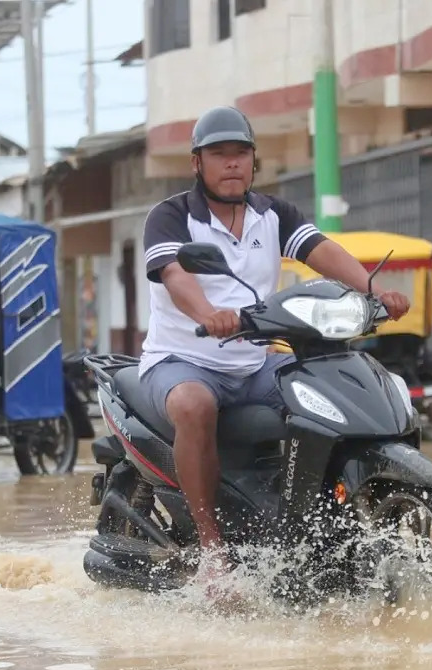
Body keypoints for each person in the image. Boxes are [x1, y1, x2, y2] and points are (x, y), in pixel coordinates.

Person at [138, 105, 411, 596]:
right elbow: (176, 275)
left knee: (330, 389)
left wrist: (374, 292)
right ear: (197, 163)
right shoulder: (171, 216)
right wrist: (206, 314)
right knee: (193, 405)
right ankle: (212, 553)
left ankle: (317, 528)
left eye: (240, 154)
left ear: (253, 161)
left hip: (255, 359)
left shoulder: (273, 214)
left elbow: (321, 250)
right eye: (219, 155)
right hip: (183, 360)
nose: (232, 164)